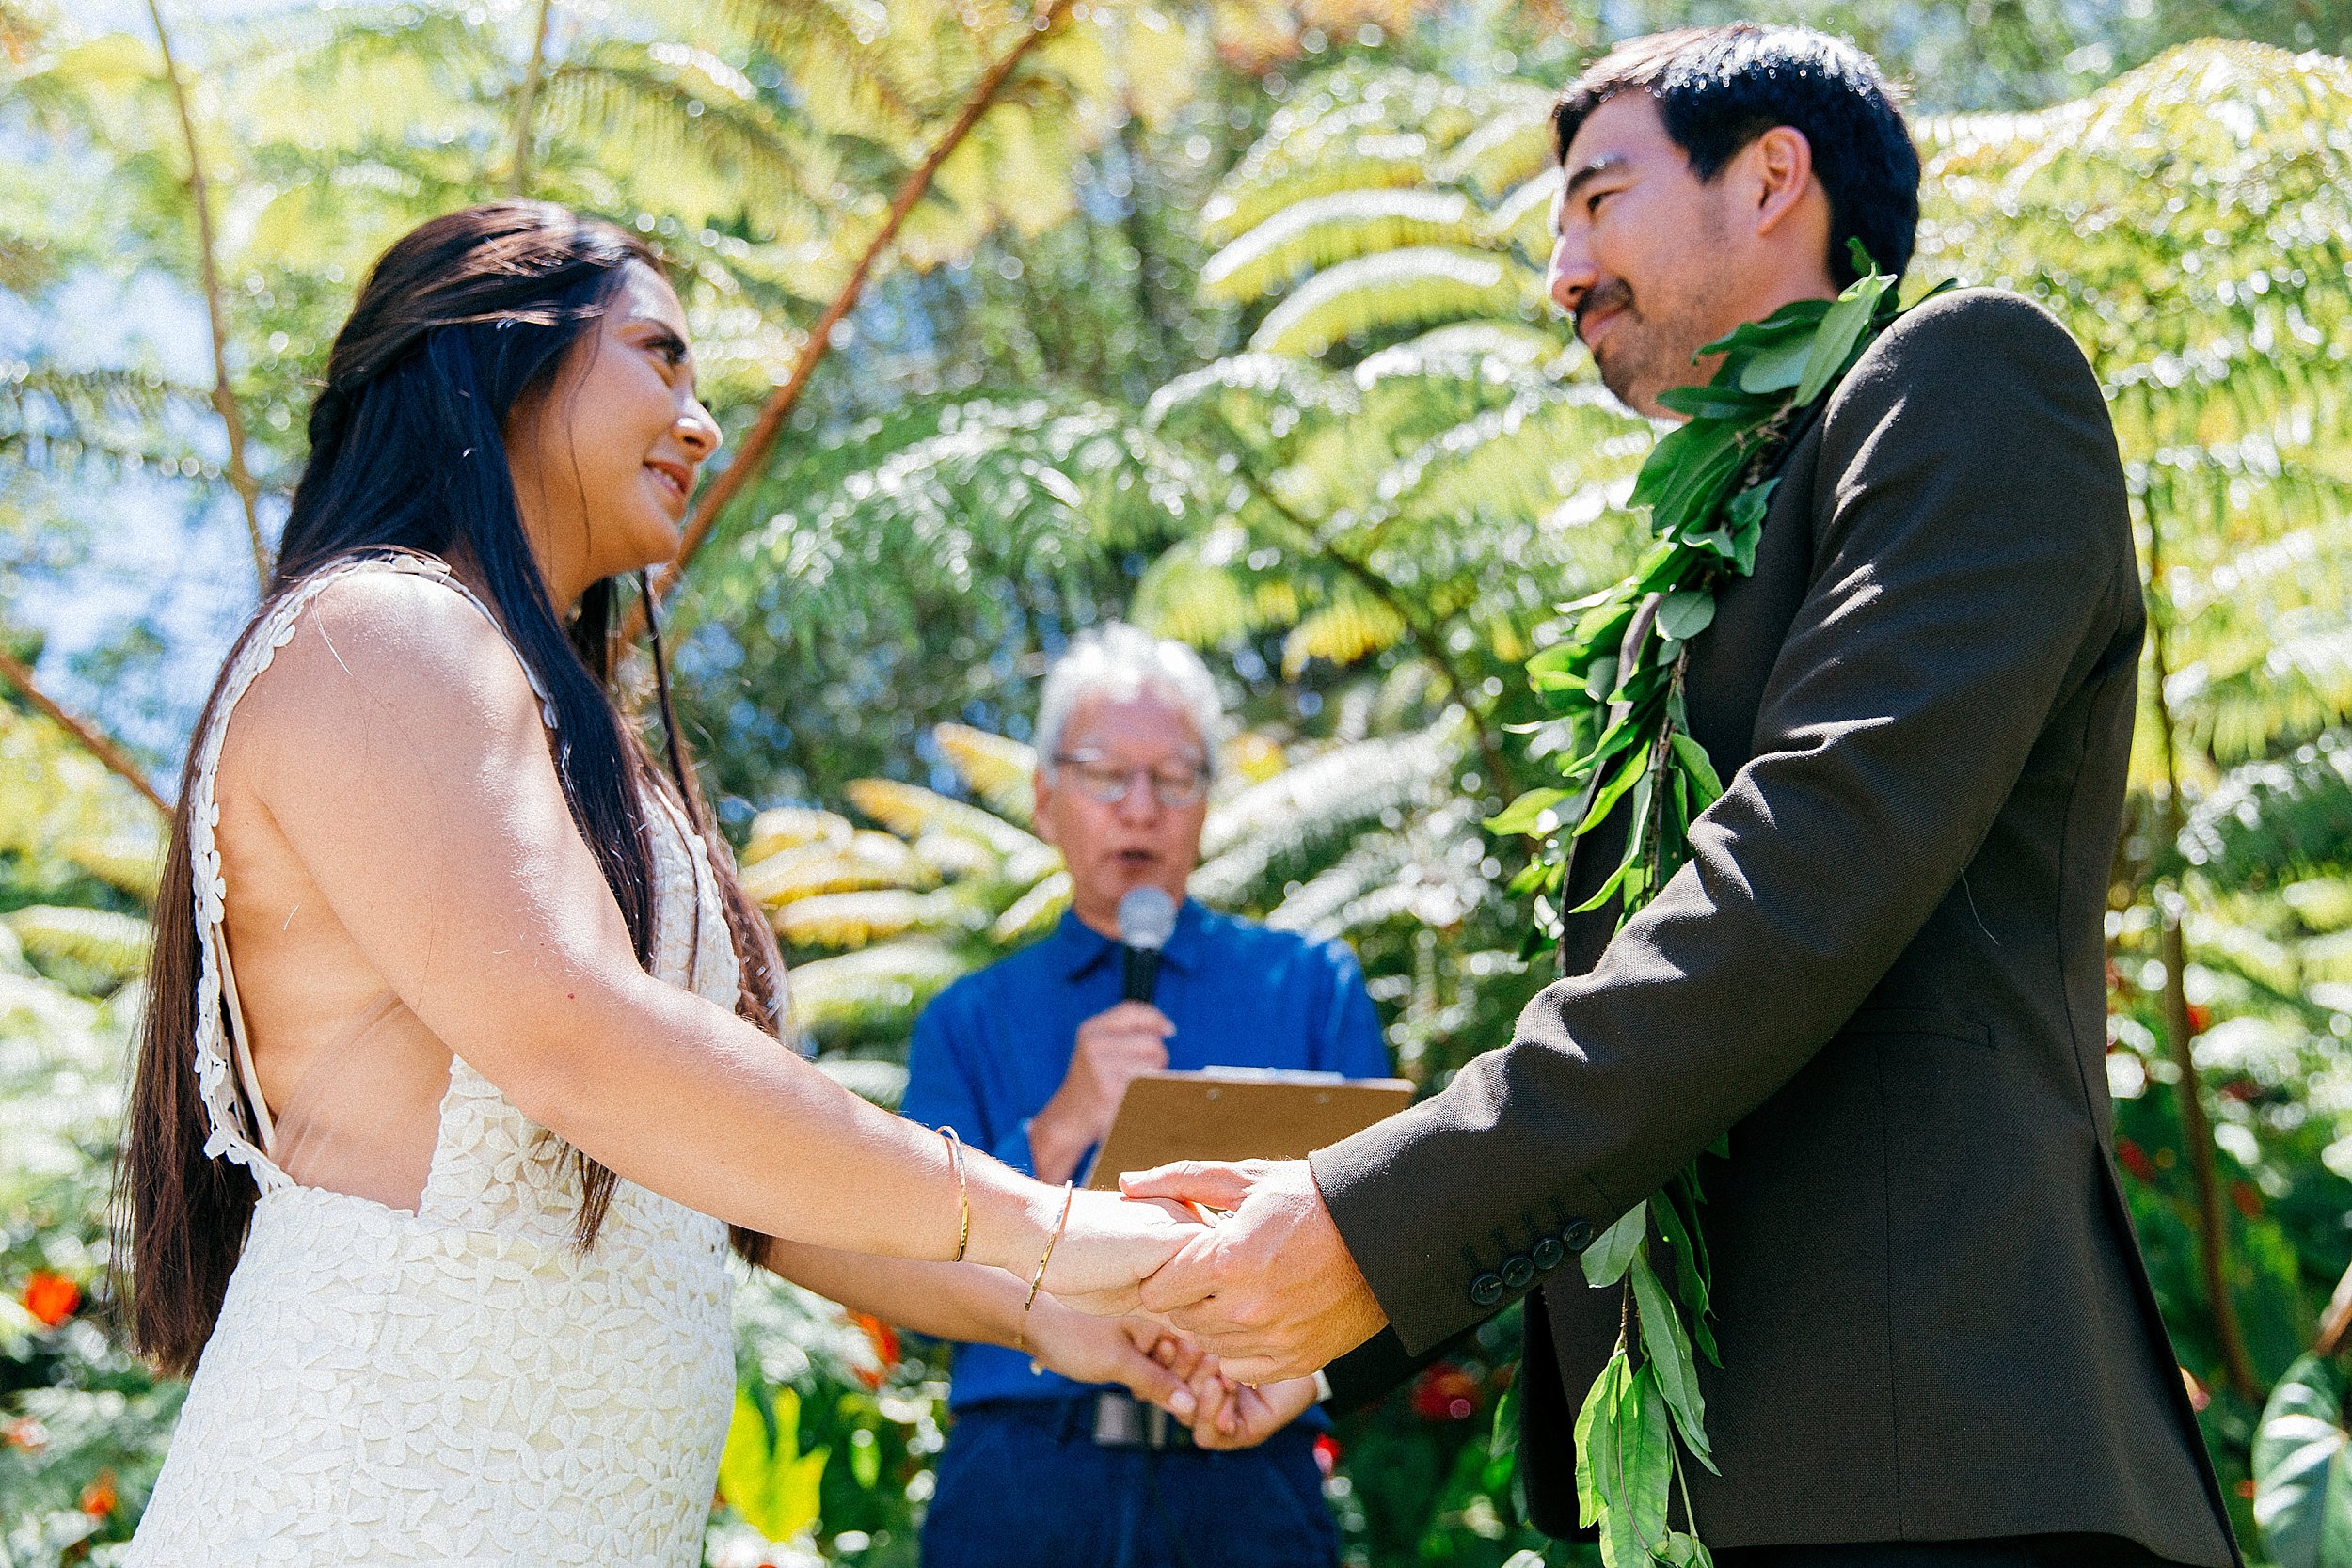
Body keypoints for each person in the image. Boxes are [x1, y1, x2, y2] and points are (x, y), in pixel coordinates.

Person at [1118, 25, 2244, 1568]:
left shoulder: (1973, 381)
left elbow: (1789, 892)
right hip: (1719, 1496)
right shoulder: (1692, 569)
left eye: (1598, 197)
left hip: (1951, 1473)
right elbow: (1647, 1026)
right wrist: (1322, 1306)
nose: (1563, 271)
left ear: (1773, 174)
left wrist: (1368, 1229)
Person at [114, 201, 1200, 1565]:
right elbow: (583, 1042)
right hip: (365, 1511)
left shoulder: (572, 728)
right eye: (660, 357)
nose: (699, 421)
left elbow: (724, 1193)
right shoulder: (377, 634)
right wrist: (1046, 1224)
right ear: (497, 349)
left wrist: (1043, 1312)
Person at [898, 623, 1389, 1568]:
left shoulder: (1308, 984)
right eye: (1104, 774)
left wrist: (1298, 1376)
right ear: (1045, 798)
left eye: (1173, 779)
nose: (1141, 807)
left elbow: (1381, 1226)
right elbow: (908, 1258)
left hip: (1250, 1466)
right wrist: (1066, 1115)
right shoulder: (968, 1017)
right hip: (1021, 1478)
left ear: (1206, 803)